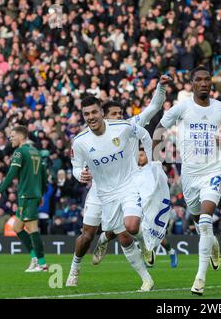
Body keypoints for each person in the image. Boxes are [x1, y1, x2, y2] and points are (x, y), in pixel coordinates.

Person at [66, 75, 170, 287]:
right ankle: (76, 267)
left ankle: (143, 258)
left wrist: (160, 87)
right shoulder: (80, 142)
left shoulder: (126, 126)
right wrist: (80, 174)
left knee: (129, 230)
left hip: (129, 185)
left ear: (102, 114)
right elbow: (76, 167)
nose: (91, 117)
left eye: (95, 112)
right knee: (87, 236)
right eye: (87, 114)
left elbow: (153, 107)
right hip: (101, 191)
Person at [154, 65, 221, 295]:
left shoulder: (220, 107)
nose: (204, 83)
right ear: (192, 83)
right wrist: (155, 155)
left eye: (207, 79)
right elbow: (160, 127)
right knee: (200, 223)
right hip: (189, 174)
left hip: (213, 171)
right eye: (199, 79)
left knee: (206, 220)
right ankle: (213, 244)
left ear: (211, 82)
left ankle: (200, 279)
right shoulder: (182, 108)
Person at [0, 126, 48, 272]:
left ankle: (42, 264)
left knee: (32, 229)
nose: (10, 138)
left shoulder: (19, 152)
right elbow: (43, 176)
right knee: (17, 228)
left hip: (27, 195)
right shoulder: (36, 152)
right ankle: (34, 258)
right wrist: (41, 193)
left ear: (21, 137)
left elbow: (11, 174)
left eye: (12, 135)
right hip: (30, 195)